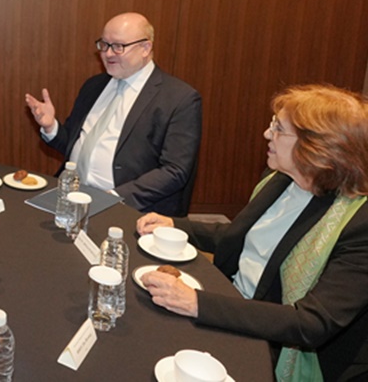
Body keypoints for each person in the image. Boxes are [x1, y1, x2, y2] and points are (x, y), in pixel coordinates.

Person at [138, 84, 368, 381]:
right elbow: (244, 235)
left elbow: (312, 322)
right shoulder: (280, 179)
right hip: (230, 301)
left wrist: (196, 303)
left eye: (279, 129)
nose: (266, 134)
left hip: (280, 345)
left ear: (318, 149)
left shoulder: (358, 224)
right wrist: (176, 224)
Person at [25, 12, 202, 215]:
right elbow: (74, 146)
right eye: (104, 45)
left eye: (118, 46)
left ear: (145, 48)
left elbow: (175, 170)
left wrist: (113, 197)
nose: (108, 54)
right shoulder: (94, 86)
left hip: (131, 207)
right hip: (72, 196)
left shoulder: (179, 98)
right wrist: (51, 127)